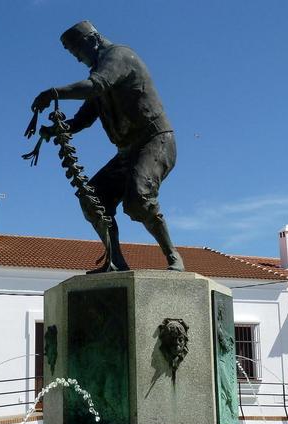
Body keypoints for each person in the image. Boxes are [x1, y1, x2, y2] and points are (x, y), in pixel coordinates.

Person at [31, 20, 184, 272]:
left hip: (155, 140)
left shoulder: (119, 56)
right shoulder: (101, 73)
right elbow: (83, 119)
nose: (78, 58)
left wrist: (54, 93)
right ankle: (115, 261)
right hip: (127, 152)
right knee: (93, 198)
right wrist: (54, 130)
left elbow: (96, 86)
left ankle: (173, 255)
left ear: (93, 40)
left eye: (78, 51)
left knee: (138, 199)